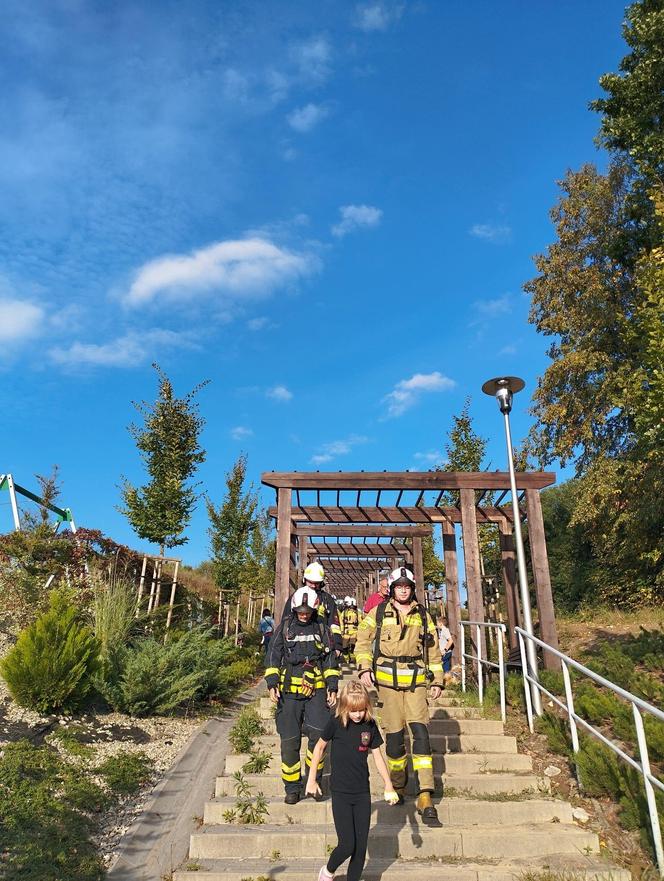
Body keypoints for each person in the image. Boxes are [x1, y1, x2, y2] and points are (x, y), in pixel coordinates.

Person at [355, 566, 444, 823]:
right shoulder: (379, 612)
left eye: (407, 586)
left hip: (416, 683)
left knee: (421, 735)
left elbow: (433, 651)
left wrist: (437, 680)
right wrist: (363, 668)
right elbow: (362, 641)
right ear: (392, 589)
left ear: (412, 589)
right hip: (387, 685)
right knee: (394, 739)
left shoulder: (423, 615)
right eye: (399, 586)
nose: (403, 590)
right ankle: (398, 784)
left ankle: (425, 792)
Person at [305, 680, 399, 881]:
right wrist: (312, 779)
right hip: (340, 793)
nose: (358, 715)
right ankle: (328, 871)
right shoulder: (336, 723)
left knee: (360, 846)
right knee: (347, 844)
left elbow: (378, 756)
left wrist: (388, 785)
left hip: (362, 793)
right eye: (353, 710)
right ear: (345, 707)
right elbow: (319, 748)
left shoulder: (370, 725)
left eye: (362, 710)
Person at [265, 586, 339, 804]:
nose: (304, 614)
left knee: (318, 736)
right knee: (289, 740)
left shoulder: (322, 629)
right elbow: (273, 655)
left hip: (315, 691)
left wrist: (332, 686)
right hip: (288, 693)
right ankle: (292, 787)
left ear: (315, 609)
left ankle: (312, 781)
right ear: (294, 609)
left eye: (307, 611)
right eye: (300, 611)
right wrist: (272, 683)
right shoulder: (285, 627)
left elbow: (329, 661)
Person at [282, 562, 343, 654]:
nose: (313, 586)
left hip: (322, 645)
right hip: (297, 645)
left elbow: (334, 625)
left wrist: (337, 646)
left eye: (317, 583)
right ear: (304, 579)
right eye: (310, 582)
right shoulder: (296, 597)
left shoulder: (327, 599)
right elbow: (285, 622)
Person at [341, 596, 359, 661]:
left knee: (351, 647)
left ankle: (351, 659)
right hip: (347, 632)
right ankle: (348, 659)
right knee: (345, 647)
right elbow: (341, 622)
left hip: (353, 632)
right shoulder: (344, 613)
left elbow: (360, 623)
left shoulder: (357, 613)